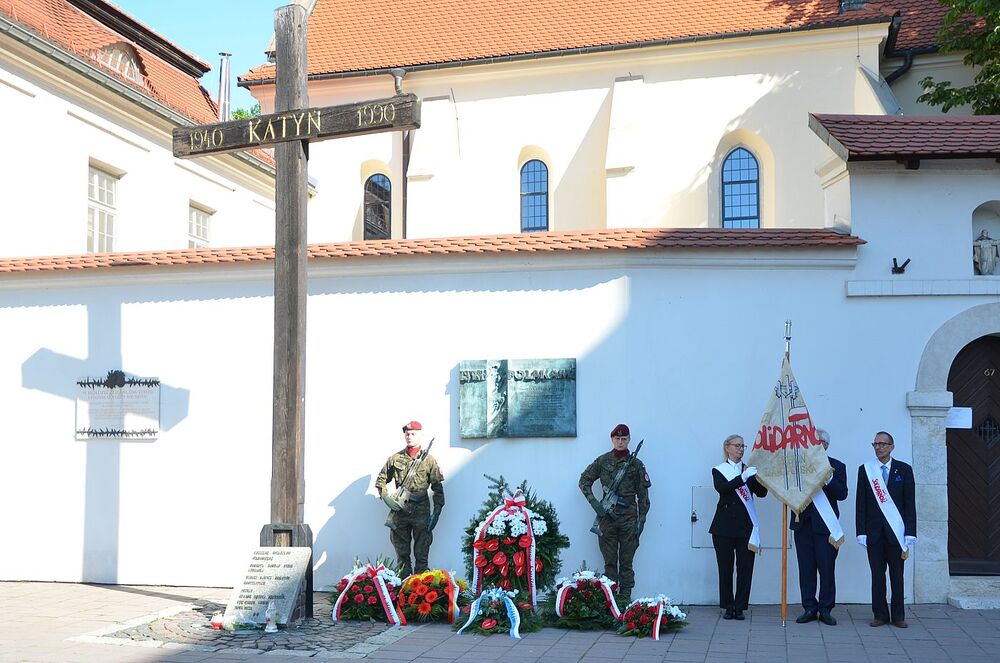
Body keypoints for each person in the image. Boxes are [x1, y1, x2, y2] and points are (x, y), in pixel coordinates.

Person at [579, 423, 651, 601]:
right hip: (607, 519)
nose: (620, 442)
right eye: (617, 438)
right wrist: (595, 504)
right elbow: (584, 481)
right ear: (612, 439)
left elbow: (643, 496)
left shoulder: (636, 465)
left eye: (624, 439)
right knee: (610, 563)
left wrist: (641, 520)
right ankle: (610, 601)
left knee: (626, 564)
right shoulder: (603, 461)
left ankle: (625, 601)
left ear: (629, 440)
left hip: (629, 519)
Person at [856, 431, 916, 628]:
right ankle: (880, 614)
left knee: (897, 576)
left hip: (896, 535)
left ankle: (898, 615)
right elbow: (861, 504)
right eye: (875, 444)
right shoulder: (866, 470)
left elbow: (909, 504)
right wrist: (861, 531)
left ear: (892, 447)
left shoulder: (904, 470)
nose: (879, 447)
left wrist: (910, 532)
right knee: (877, 576)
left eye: (883, 444)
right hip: (874, 534)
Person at [792, 428, 848, 626]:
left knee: (826, 569)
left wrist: (829, 478)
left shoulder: (837, 466)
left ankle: (825, 609)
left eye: (817, 442)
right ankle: (809, 607)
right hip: (803, 525)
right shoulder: (798, 465)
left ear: (825, 445)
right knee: (806, 569)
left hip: (826, 527)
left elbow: (842, 493)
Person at [375, 421, 444, 577]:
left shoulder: (429, 460)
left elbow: (437, 488)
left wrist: (437, 512)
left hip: (422, 511)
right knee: (402, 556)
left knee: (422, 556)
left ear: (420, 435)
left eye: (413, 434)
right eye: (407, 434)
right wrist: (386, 497)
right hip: (400, 512)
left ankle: (420, 591)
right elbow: (381, 480)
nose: (409, 437)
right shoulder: (395, 459)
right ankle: (403, 590)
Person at [710, 434, 767, 620]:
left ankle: (740, 606)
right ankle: (728, 605)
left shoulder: (748, 470)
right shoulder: (719, 470)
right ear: (727, 447)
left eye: (743, 446)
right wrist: (743, 477)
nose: (741, 449)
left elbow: (762, 493)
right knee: (725, 567)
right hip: (724, 527)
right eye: (737, 445)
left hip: (745, 526)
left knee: (745, 567)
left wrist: (759, 476)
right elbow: (723, 489)